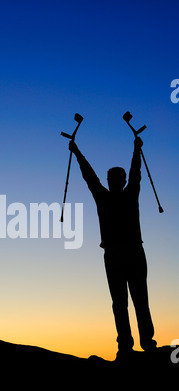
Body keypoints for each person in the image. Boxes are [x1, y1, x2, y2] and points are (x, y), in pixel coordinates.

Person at [69, 137, 157, 359]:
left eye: (112, 178)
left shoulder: (104, 197)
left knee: (123, 302)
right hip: (131, 252)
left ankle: (128, 345)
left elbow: (90, 176)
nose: (110, 181)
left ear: (116, 180)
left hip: (118, 254)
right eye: (111, 178)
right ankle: (143, 343)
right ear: (122, 180)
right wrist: (136, 149)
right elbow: (134, 172)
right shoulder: (128, 194)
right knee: (136, 301)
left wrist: (77, 152)